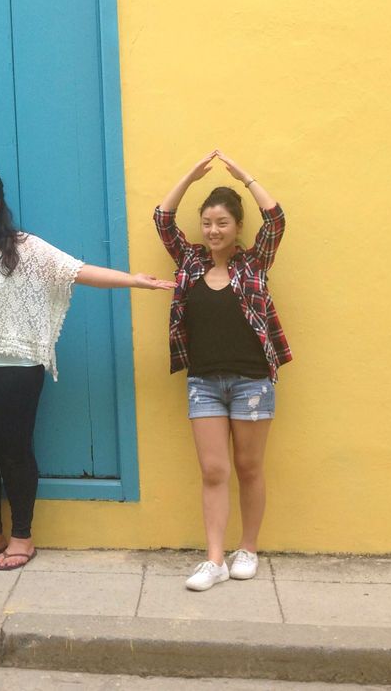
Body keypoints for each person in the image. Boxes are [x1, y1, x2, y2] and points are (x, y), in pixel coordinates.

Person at [0, 98, 175, 571]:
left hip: (15, 366)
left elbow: (77, 270)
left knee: (12, 451)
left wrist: (133, 280)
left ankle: (22, 537)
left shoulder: (23, 248)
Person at [154, 150, 290, 591]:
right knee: (213, 471)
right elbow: (162, 218)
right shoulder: (190, 263)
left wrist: (245, 176)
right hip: (204, 384)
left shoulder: (254, 263)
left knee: (249, 467)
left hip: (252, 382)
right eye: (207, 223)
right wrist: (190, 176)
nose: (213, 231)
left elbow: (276, 220)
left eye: (222, 224)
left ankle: (247, 549)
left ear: (237, 228)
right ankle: (214, 560)